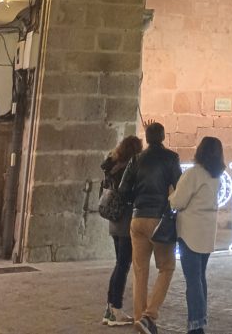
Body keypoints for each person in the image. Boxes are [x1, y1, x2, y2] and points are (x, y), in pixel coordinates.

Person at [120, 122, 183, 334]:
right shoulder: (171, 158)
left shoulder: (136, 160)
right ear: (163, 137)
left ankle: (139, 318)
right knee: (166, 267)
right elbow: (179, 187)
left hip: (137, 219)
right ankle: (150, 315)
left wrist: (136, 201)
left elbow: (123, 190)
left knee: (140, 271)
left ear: (146, 139)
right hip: (159, 220)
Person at [170, 137, 226, 334]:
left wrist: (170, 195)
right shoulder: (216, 176)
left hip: (190, 234)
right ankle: (200, 319)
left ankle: (196, 325)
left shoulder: (193, 174)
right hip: (207, 233)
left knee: (192, 280)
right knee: (200, 277)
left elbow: (177, 202)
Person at [101, 134, 143, 325]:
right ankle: (115, 308)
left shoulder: (112, 166)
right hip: (126, 222)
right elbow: (130, 193)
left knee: (120, 264)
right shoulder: (128, 169)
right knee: (122, 265)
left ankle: (110, 309)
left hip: (114, 222)